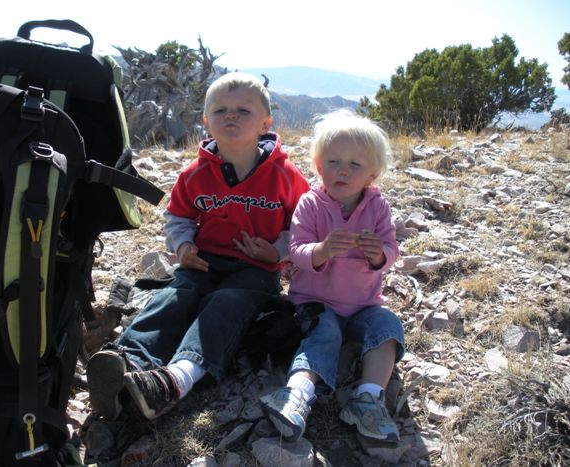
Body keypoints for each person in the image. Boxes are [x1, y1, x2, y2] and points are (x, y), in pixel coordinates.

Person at [86, 72, 309, 421]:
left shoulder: (285, 176)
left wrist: (275, 252)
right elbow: (179, 217)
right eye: (220, 110)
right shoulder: (194, 173)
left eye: (242, 110)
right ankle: (126, 360)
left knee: (227, 303)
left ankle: (176, 379)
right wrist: (184, 246)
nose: (230, 116)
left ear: (266, 123)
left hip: (256, 270)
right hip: (204, 261)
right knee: (175, 296)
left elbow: (301, 225)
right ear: (206, 122)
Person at [259, 109, 404, 443]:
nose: (343, 170)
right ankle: (296, 395)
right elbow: (296, 250)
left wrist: (379, 254)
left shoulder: (378, 207)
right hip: (315, 300)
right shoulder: (310, 204)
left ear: (372, 174)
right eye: (334, 161)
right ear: (318, 165)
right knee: (325, 334)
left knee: (387, 328)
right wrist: (322, 251)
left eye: (355, 165)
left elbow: (392, 251)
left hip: (364, 303)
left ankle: (367, 399)